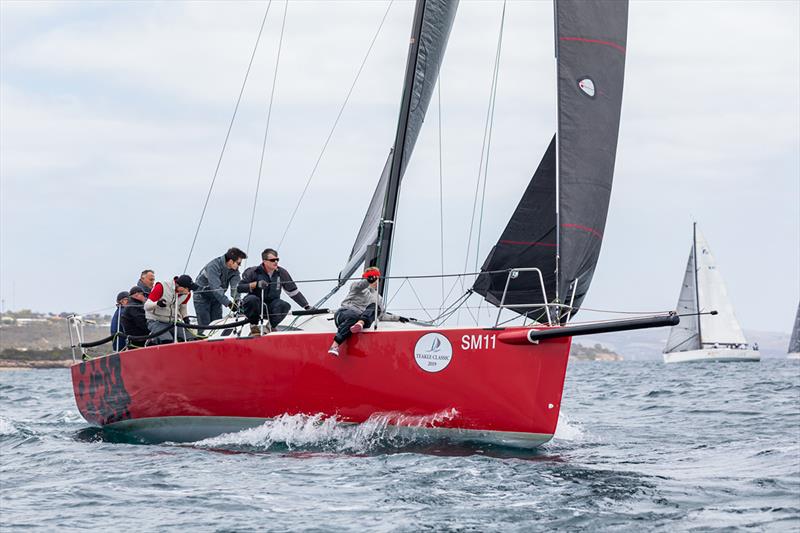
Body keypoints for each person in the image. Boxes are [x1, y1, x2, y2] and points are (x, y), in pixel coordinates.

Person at [327, 267, 406, 357]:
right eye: (375, 278)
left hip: (361, 320)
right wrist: (368, 280)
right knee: (354, 317)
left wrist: (398, 318)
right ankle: (335, 345)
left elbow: (380, 315)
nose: (376, 281)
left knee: (375, 307)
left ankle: (360, 323)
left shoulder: (378, 297)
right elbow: (361, 285)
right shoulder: (356, 287)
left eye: (377, 279)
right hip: (344, 313)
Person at [237, 248, 311, 336]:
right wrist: (256, 284)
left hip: (272, 306)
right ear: (264, 261)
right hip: (256, 305)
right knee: (251, 299)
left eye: (277, 259)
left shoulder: (281, 273)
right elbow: (240, 288)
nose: (276, 262)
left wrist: (306, 306)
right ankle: (254, 327)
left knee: (284, 305)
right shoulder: (253, 271)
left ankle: (270, 327)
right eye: (272, 260)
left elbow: (293, 292)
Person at [194, 247, 247, 326]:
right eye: (238, 263)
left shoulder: (234, 271)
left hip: (217, 299)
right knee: (205, 327)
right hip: (202, 297)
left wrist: (237, 300)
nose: (240, 265)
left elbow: (235, 286)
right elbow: (215, 288)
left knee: (217, 325)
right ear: (231, 261)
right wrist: (228, 304)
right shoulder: (213, 266)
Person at [143, 274, 200, 344]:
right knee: (167, 340)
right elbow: (146, 306)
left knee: (192, 338)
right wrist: (157, 304)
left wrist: (185, 318)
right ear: (179, 286)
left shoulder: (187, 294)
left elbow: (183, 307)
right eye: (188, 289)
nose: (188, 292)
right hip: (156, 321)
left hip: (173, 322)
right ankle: (152, 342)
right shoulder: (162, 286)